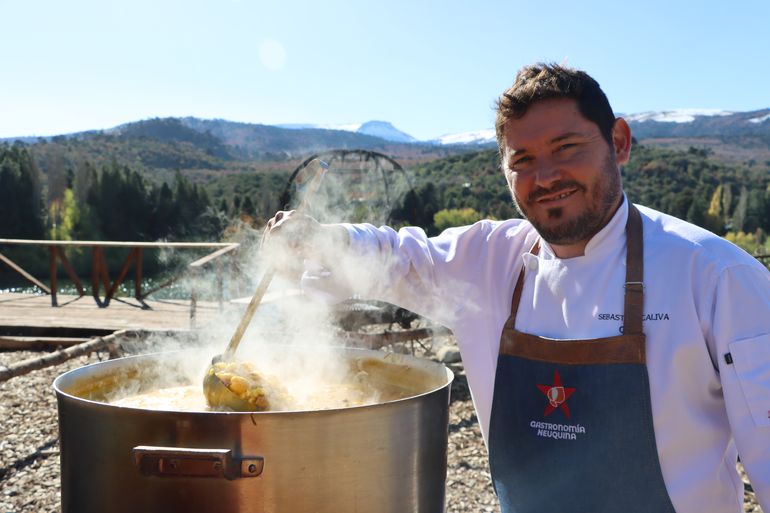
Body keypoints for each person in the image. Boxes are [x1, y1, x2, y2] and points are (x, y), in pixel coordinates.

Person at [263, 63, 770, 513]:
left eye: (566, 147)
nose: (545, 176)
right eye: (522, 160)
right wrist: (322, 242)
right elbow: (395, 256)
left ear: (619, 141)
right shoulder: (488, 262)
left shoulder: (716, 278)